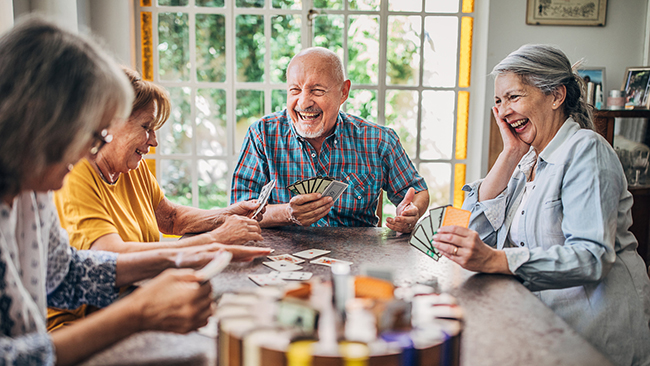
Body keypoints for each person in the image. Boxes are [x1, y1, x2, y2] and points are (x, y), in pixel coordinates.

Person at [0, 18, 269, 365]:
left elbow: (65, 274)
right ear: (40, 120)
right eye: (89, 132)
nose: (89, 151)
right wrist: (137, 313)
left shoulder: (33, 190)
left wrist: (178, 257)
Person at [431, 44, 650, 365]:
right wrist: (509, 154)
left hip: (593, 335)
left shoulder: (586, 150)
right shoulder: (525, 159)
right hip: (543, 325)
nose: (503, 111)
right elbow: (469, 231)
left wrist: (497, 260)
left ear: (556, 96)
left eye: (514, 97)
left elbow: (591, 258)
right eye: (498, 102)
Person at [49, 67, 270, 329]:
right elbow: (109, 255)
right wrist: (213, 241)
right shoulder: (75, 174)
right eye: (146, 127)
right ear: (112, 123)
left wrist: (226, 215)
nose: (154, 141)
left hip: (131, 298)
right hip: (82, 324)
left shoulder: (132, 167)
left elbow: (170, 217)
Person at [231, 47, 429, 233]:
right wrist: (288, 213)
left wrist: (412, 212)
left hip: (355, 259)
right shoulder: (262, 134)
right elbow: (240, 212)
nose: (304, 102)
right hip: (283, 261)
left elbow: (418, 192)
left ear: (344, 92)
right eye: (295, 90)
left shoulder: (379, 140)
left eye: (317, 91)